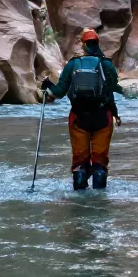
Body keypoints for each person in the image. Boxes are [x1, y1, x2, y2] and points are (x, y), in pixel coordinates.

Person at [41, 29, 122, 190]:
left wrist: (48, 87)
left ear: (83, 45)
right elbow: (111, 91)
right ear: (98, 43)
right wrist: (115, 114)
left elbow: (59, 92)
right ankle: (99, 202)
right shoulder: (106, 64)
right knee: (99, 162)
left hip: (78, 118)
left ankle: (79, 203)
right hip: (102, 117)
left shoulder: (73, 64)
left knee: (80, 162)